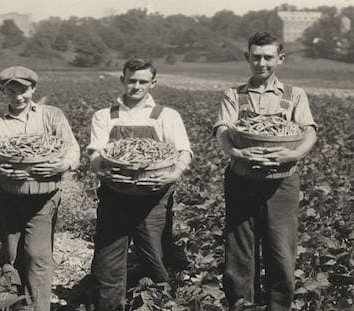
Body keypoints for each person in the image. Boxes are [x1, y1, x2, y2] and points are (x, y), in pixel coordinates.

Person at [213, 32, 317, 311]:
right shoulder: (233, 95)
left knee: (281, 250)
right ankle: (242, 305)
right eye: (255, 57)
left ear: (280, 59)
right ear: (247, 58)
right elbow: (223, 130)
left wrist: (295, 153)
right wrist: (237, 152)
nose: (261, 63)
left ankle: (278, 307)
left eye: (268, 57)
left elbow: (308, 131)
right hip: (241, 179)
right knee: (239, 249)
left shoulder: (295, 95)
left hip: (281, 182)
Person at [86, 58, 192, 310]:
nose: (136, 86)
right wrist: (105, 172)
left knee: (155, 257)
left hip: (153, 198)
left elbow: (183, 152)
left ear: (153, 83)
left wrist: (173, 174)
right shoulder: (105, 116)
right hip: (115, 197)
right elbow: (95, 154)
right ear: (122, 80)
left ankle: (159, 304)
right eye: (131, 80)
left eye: (142, 81)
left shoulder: (166, 116)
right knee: (107, 263)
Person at [0, 66, 80, 310]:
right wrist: (0, 171)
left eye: (23, 90)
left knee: (38, 255)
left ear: (33, 88)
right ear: (3, 92)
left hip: (44, 196)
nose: (18, 96)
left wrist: (62, 164)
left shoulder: (52, 116)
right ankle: (19, 303)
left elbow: (72, 149)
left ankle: (39, 306)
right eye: (11, 90)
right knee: (12, 255)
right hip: (9, 196)